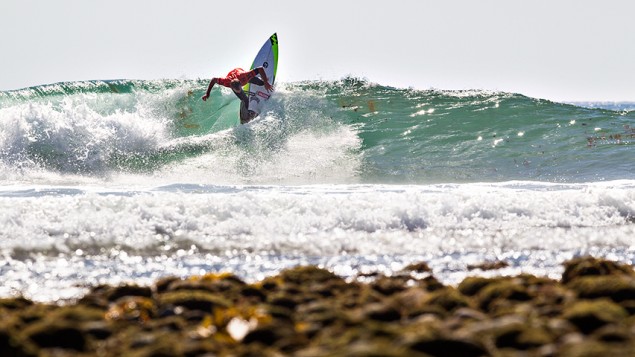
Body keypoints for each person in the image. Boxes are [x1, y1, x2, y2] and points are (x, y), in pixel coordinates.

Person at [201, 67, 273, 124]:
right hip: (232, 78)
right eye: (237, 90)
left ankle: (261, 78)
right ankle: (247, 115)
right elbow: (214, 80)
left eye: (240, 88)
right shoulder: (226, 82)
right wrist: (207, 93)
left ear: (241, 84)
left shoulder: (245, 77)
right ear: (232, 88)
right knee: (244, 99)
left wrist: (266, 82)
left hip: (240, 73)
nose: (240, 90)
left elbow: (260, 68)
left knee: (261, 83)